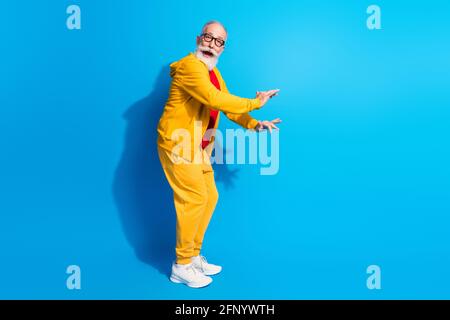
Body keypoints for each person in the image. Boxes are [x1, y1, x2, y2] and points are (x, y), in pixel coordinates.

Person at [156, 20, 281, 288]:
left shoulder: (213, 72)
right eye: (208, 38)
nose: (211, 44)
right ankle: (181, 265)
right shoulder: (190, 67)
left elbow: (227, 106)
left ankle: (193, 256)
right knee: (194, 198)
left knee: (209, 196)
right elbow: (214, 99)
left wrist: (253, 123)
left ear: (223, 48)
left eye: (219, 41)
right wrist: (256, 103)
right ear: (198, 38)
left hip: (196, 146)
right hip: (177, 144)